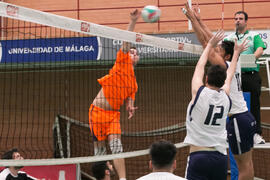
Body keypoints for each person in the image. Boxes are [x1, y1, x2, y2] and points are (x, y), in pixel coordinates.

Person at [182, 3, 257, 180]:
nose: (217, 48)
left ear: (227, 56)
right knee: (248, 165)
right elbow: (212, 39)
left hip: (238, 119)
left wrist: (192, 19)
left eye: (220, 49)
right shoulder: (231, 64)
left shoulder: (223, 66)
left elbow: (206, 42)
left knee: (244, 167)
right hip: (244, 117)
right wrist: (199, 19)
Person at [89, 9, 140, 180]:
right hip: (97, 112)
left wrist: (130, 106)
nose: (134, 54)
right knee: (100, 153)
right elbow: (126, 43)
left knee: (117, 146)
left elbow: (130, 98)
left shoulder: (134, 83)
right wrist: (132, 21)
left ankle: (123, 179)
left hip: (113, 116)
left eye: (136, 53)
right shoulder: (122, 61)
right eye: (132, 52)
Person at [225, 11, 266, 144]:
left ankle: (255, 134)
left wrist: (246, 61)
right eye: (235, 18)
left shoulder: (254, 36)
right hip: (234, 77)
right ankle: (228, 131)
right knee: (230, 104)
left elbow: (260, 50)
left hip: (250, 76)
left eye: (241, 19)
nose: (238, 21)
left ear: (246, 21)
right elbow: (224, 54)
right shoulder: (229, 38)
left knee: (254, 105)